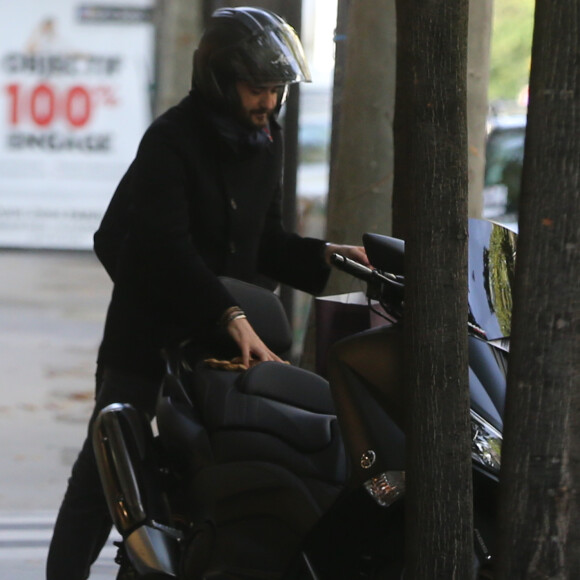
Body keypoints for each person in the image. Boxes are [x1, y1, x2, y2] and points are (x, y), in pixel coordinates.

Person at [46, 7, 369, 579]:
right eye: (257, 88)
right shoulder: (171, 141)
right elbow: (163, 246)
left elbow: (265, 243)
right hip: (147, 339)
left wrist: (329, 256)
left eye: (276, 90)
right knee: (106, 473)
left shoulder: (265, 142)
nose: (268, 103)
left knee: (193, 484)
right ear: (220, 79)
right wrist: (228, 312)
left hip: (218, 348)